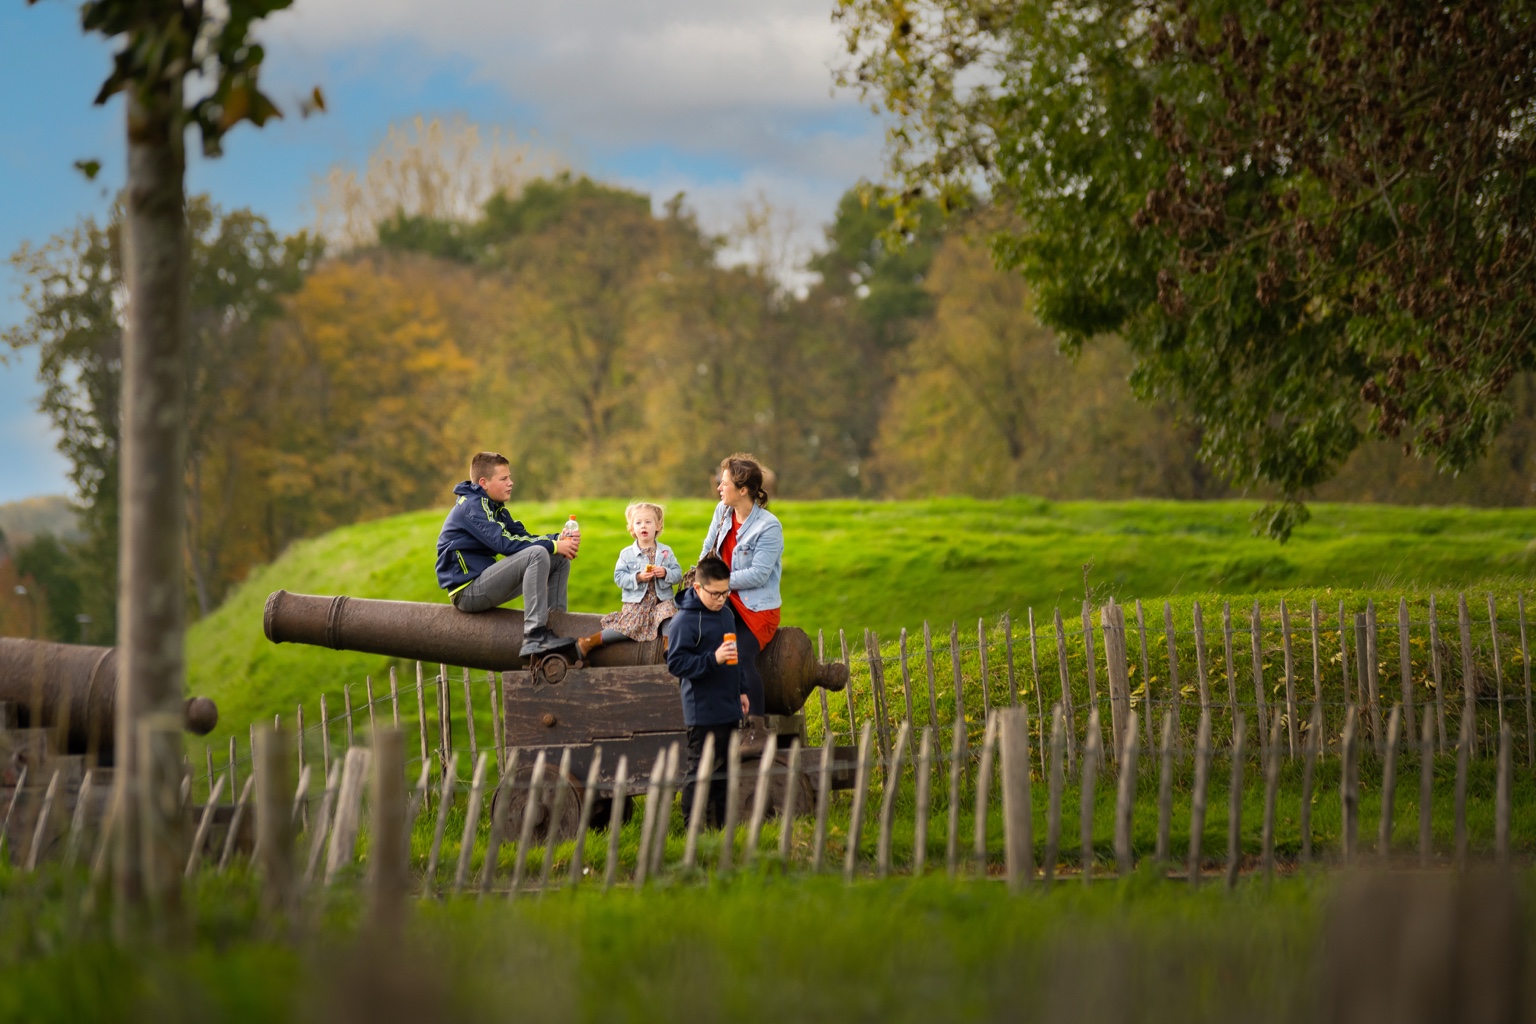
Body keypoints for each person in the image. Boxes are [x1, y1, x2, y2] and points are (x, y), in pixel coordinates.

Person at [435, 451, 580, 658]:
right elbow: (505, 544)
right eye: (504, 478)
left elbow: (524, 537)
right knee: (539, 553)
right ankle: (534, 635)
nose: (511, 483)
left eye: (509, 477)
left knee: (557, 560)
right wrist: (554, 544)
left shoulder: (495, 508)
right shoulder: (472, 507)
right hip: (467, 591)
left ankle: (555, 632)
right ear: (484, 482)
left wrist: (560, 539)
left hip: (485, 582)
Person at [698, 452, 782, 733]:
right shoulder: (722, 512)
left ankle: (756, 726)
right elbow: (707, 549)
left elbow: (759, 574)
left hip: (757, 609)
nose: (719, 488)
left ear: (742, 490)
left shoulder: (768, 526)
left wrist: (719, 583)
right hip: (724, 600)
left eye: (724, 483)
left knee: (739, 654)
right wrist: (701, 578)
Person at [667, 554, 748, 828]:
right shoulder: (683, 622)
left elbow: (736, 658)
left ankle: (722, 829)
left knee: (725, 771)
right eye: (715, 594)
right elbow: (676, 664)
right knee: (699, 771)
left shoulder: (726, 614)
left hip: (729, 704)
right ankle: (692, 829)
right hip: (701, 710)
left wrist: (742, 691)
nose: (721, 599)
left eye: (726, 592)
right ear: (698, 588)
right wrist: (713, 659)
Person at [576, 502, 682, 659]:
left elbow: (678, 573)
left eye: (648, 522)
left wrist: (665, 572)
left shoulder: (666, 551)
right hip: (637, 603)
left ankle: (668, 648)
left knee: (669, 615)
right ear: (632, 528)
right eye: (638, 523)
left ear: (658, 525)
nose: (643, 526)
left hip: (660, 601)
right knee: (629, 628)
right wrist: (638, 577)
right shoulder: (627, 554)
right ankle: (589, 642)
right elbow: (619, 578)